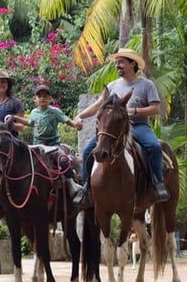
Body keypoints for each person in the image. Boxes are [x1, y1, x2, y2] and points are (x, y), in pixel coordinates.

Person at [71, 48, 170, 208]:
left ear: (132, 63)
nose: (117, 65)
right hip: (114, 130)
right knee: (88, 150)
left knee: (154, 146)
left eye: (121, 62)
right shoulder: (112, 86)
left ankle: (157, 185)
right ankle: (85, 189)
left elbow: (156, 109)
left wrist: (133, 111)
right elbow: (98, 106)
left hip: (138, 126)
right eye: (116, 63)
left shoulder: (146, 85)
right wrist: (80, 116)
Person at [9, 84, 84, 197]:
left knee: (63, 160)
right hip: (38, 145)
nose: (42, 98)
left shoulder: (55, 111)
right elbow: (29, 123)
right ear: (35, 99)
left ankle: (71, 183)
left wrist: (75, 124)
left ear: (50, 99)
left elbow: (66, 120)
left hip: (53, 145)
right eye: (39, 96)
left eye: (45, 96)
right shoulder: (34, 112)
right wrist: (15, 118)